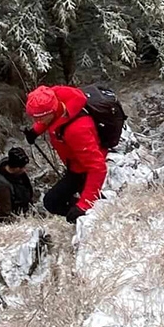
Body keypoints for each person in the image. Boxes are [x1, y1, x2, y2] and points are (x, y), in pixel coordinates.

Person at [23, 85, 108, 224]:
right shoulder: (56, 96)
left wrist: (83, 205)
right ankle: (96, 211)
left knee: (53, 202)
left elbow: (98, 168)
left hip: (83, 168)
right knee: (54, 201)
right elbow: (53, 117)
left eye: (39, 119)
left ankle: (94, 219)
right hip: (75, 164)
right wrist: (36, 131)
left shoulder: (77, 130)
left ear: (50, 112)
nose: (36, 122)